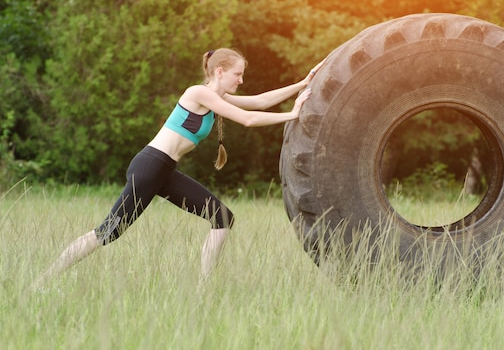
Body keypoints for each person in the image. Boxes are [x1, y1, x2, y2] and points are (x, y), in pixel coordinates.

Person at [36, 48, 323, 286]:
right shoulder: (198, 93)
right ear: (219, 72)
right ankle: (44, 281)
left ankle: (203, 290)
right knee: (108, 232)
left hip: (164, 170)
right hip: (150, 166)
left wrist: (303, 83)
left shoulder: (216, 99)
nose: (241, 80)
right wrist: (293, 114)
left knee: (222, 217)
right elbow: (248, 119)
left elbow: (259, 101)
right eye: (238, 74)